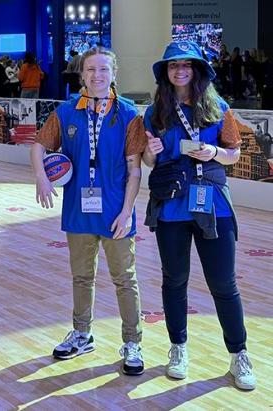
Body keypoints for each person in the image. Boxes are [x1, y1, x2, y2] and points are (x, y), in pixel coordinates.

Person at [143, 41, 256, 390]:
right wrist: (151, 151)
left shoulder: (218, 107)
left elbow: (234, 154)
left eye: (187, 65)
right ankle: (178, 348)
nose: (180, 71)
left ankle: (239, 355)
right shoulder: (154, 112)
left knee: (224, 282)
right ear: (166, 71)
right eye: (173, 65)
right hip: (171, 206)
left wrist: (214, 151)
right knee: (174, 280)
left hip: (213, 204)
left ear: (197, 70)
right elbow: (148, 162)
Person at [30, 47, 147, 375]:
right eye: (91, 69)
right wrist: (41, 176)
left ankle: (132, 341)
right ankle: (82, 334)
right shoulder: (66, 112)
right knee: (82, 277)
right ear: (81, 74)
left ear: (113, 74)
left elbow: (135, 171)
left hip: (115, 213)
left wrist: (127, 212)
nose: (97, 75)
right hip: (78, 212)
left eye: (104, 70)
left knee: (124, 279)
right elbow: (39, 146)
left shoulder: (127, 114)